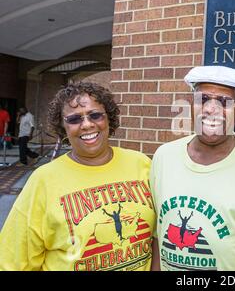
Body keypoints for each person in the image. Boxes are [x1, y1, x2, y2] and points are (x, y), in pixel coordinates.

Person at [0, 82, 157, 271]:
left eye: (95, 115)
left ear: (109, 118)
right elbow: (14, 262)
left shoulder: (141, 163)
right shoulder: (43, 180)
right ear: (63, 127)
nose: (87, 124)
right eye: (74, 119)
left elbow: (157, 236)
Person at [150, 65, 235, 271]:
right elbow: (157, 238)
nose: (210, 109)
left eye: (223, 102)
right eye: (203, 99)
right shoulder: (163, 157)